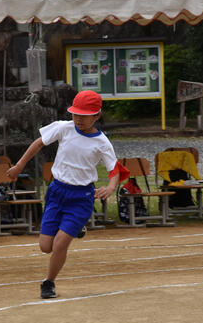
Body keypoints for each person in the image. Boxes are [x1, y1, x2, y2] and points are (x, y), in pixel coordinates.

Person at [7, 90, 127, 299]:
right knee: (45, 247)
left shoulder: (102, 142)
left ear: (97, 116)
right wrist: (19, 166)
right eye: (75, 114)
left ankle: (48, 282)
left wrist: (110, 187)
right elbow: (38, 143)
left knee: (60, 243)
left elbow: (114, 168)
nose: (78, 119)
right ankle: (75, 227)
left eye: (84, 115)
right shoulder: (64, 128)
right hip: (57, 192)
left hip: (81, 197)